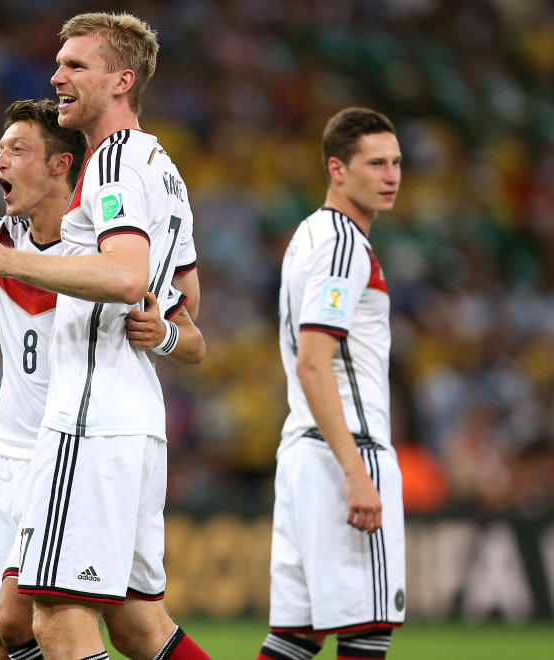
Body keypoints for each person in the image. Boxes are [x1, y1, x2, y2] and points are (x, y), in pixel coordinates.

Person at [0, 97, 204, 660]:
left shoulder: (105, 251)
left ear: (60, 166)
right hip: (11, 449)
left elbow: (188, 331)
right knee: (37, 631)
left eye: (17, 149)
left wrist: (165, 335)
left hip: (79, 447)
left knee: (25, 616)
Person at [0, 12, 210, 660]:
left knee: (54, 621)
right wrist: (160, 335)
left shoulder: (114, 164)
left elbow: (127, 278)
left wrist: (7, 260)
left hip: (90, 416)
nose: (56, 76)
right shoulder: (164, 170)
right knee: (138, 628)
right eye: (58, 63)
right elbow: (190, 328)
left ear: (121, 80)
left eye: (76, 65)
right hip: (135, 418)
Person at [257, 107, 406, 660]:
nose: (390, 175)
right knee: (367, 632)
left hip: (304, 451)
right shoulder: (344, 244)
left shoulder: (309, 235)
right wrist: (355, 472)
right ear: (337, 169)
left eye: (395, 162)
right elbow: (314, 363)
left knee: (295, 638)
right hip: (344, 452)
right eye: (375, 163)